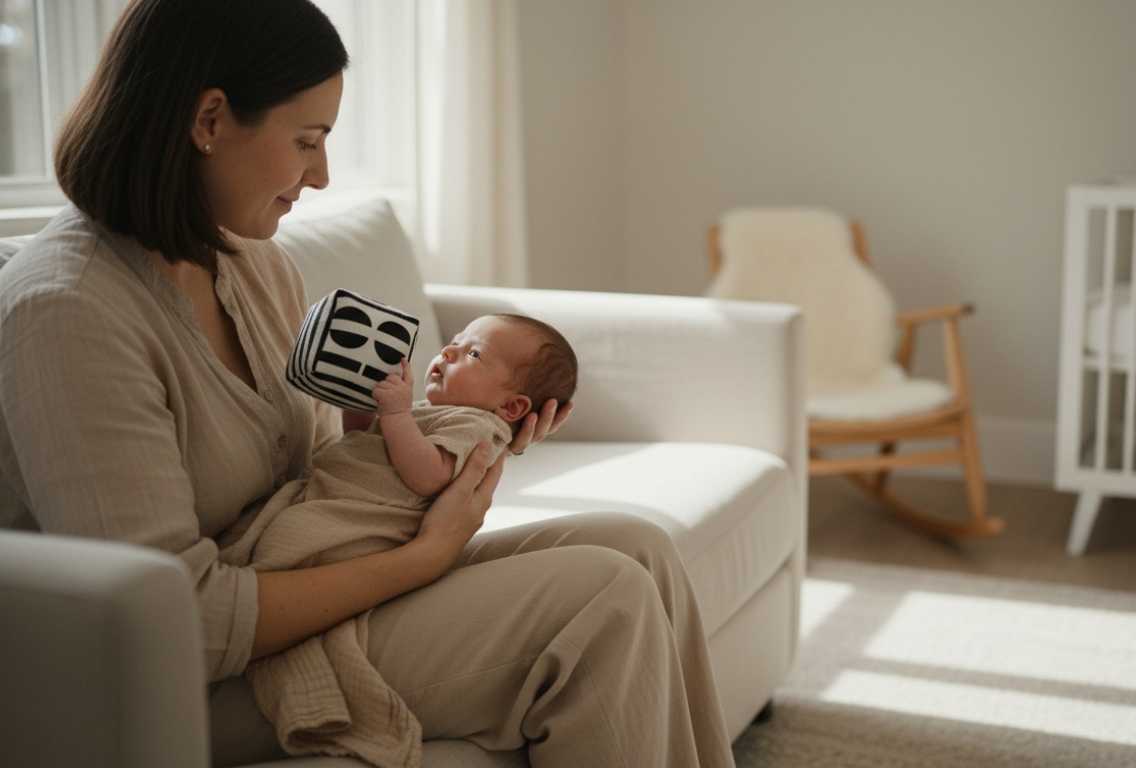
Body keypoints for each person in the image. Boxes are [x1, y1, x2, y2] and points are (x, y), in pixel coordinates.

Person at [0, 1, 735, 767]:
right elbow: (178, 624)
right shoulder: (68, 312)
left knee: (638, 547)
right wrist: (424, 558)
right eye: (307, 141)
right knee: (602, 602)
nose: (320, 176)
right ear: (210, 120)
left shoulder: (251, 264)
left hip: (305, 585)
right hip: (189, 679)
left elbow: (319, 470)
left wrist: (465, 445)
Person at [219, 314, 579, 767]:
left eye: (473, 354)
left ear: (511, 409)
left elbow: (427, 475)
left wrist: (395, 415)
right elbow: (368, 451)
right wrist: (366, 413)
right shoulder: (439, 416)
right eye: (453, 341)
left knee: (634, 547)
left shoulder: (474, 427)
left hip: (366, 535)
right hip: (357, 519)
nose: (448, 352)